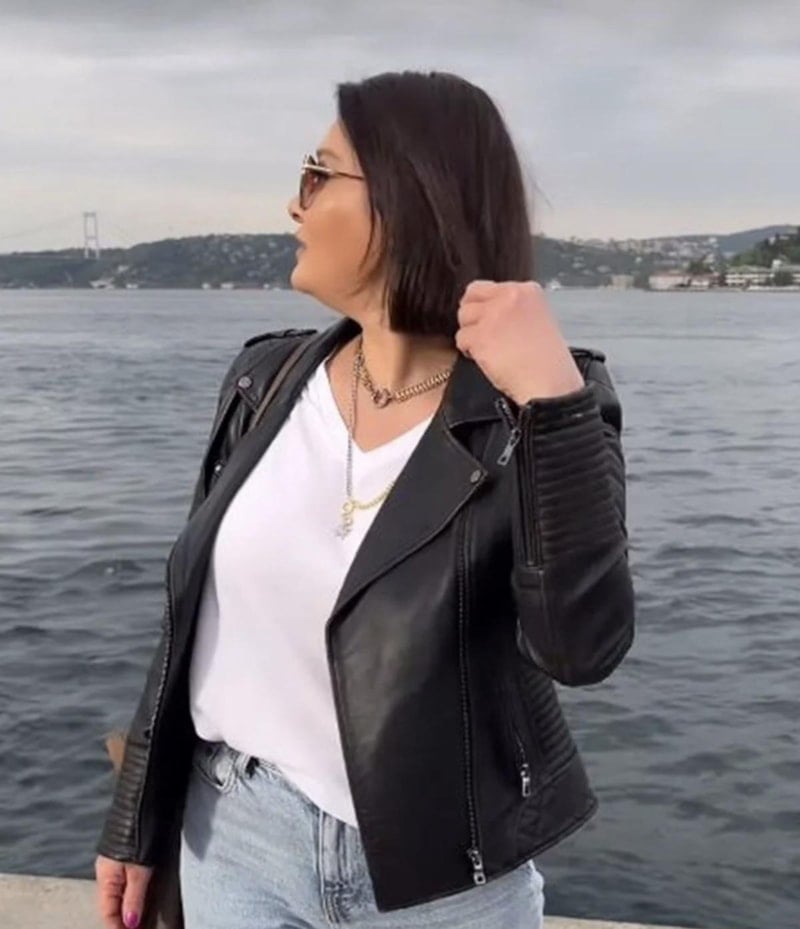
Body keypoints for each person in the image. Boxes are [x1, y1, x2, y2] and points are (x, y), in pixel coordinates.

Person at [95, 69, 635, 929]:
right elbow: (189, 623)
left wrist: (553, 405)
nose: (294, 203)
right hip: (233, 835)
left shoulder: (535, 404)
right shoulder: (264, 381)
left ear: (409, 195)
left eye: (318, 173)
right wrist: (138, 818)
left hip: (442, 879)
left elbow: (581, 645)